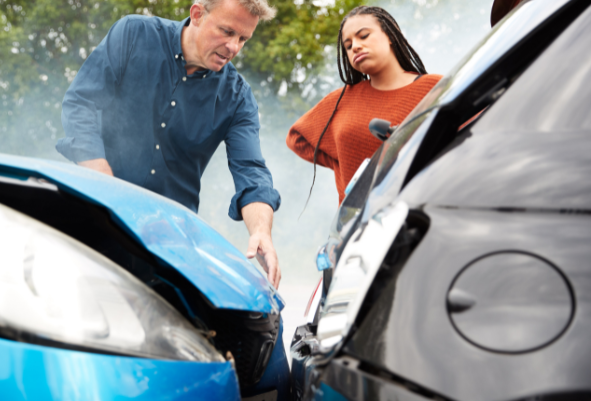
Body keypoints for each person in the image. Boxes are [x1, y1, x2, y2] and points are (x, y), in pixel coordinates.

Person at [57, 0, 283, 288]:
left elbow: (251, 172)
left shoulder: (237, 98)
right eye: (227, 31)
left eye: (243, 39)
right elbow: (80, 103)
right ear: (198, 14)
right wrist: (106, 187)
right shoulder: (133, 34)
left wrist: (262, 232)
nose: (234, 47)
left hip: (167, 247)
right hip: (93, 219)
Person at [286, 6, 442, 206]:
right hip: (357, 227)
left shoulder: (434, 88)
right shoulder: (341, 100)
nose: (356, 47)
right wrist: (344, 162)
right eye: (348, 46)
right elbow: (297, 138)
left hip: (423, 213)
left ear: (391, 34)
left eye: (364, 36)